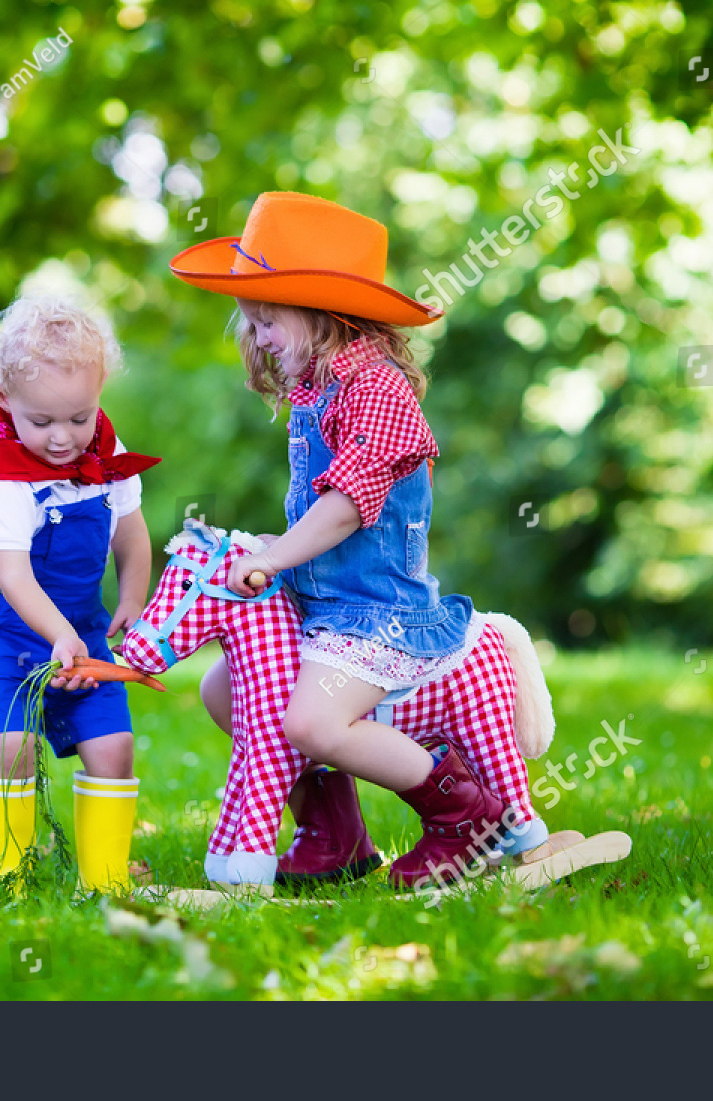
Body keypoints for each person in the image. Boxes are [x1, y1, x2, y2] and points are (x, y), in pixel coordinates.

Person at [171, 192, 547, 887]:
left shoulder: (378, 389)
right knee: (226, 691)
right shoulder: (317, 389)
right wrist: (270, 548)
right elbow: (320, 518)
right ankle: (334, 831)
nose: (256, 337)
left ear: (321, 312)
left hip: (380, 615)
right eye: (249, 323)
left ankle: (463, 817)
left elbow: (346, 507)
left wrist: (277, 555)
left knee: (311, 723)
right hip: (326, 606)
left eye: (267, 320)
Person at [0, 294, 157, 894]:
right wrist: (59, 637)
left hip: (83, 629)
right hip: (13, 633)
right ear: (4, 401)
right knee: (16, 747)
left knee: (114, 746)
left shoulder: (103, 444)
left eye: (79, 416)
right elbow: (14, 576)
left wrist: (132, 594)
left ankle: (104, 881)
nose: (63, 438)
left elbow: (129, 525)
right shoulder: (1, 476)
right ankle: (7, 877)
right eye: (41, 422)